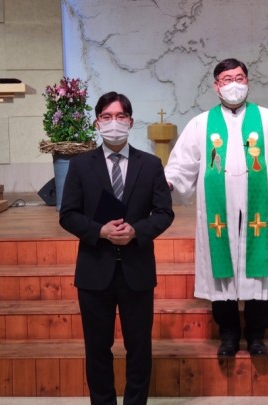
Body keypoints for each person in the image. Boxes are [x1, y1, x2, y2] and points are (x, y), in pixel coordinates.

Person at [164, 58, 268, 357]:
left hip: (257, 209)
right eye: (227, 79)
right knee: (222, 270)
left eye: (239, 78)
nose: (234, 84)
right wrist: (169, 181)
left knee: (258, 269)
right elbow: (182, 165)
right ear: (216, 86)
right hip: (217, 212)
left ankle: (257, 335)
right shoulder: (201, 124)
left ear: (247, 81)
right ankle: (228, 334)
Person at [59, 91, 174, 405]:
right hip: (95, 269)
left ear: (130, 122)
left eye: (120, 116)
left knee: (139, 348)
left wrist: (137, 231)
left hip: (137, 269)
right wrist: (100, 231)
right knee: (97, 348)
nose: (114, 123)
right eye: (107, 117)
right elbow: (68, 214)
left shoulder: (150, 165)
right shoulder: (81, 165)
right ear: (97, 122)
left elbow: (164, 213)